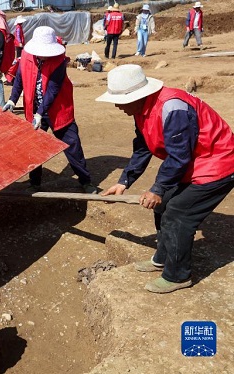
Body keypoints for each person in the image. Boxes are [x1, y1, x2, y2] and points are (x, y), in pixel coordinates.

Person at [96, 64, 234, 293]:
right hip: (193, 162)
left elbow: (179, 155)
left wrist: (158, 188)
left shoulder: (172, 108)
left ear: (137, 96)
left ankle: (178, 275)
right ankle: (163, 257)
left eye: (120, 100)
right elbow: (142, 148)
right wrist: (124, 181)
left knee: (178, 213)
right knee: (162, 207)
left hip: (218, 162)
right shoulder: (141, 110)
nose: (117, 106)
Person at [2, 26, 97, 194]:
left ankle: (85, 181)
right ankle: (34, 183)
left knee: (72, 144)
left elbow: (53, 89)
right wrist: (12, 99)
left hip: (59, 110)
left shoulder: (59, 60)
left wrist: (40, 113)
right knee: (34, 148)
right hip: (34, 108)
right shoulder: (25, 55)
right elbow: (20, 79)